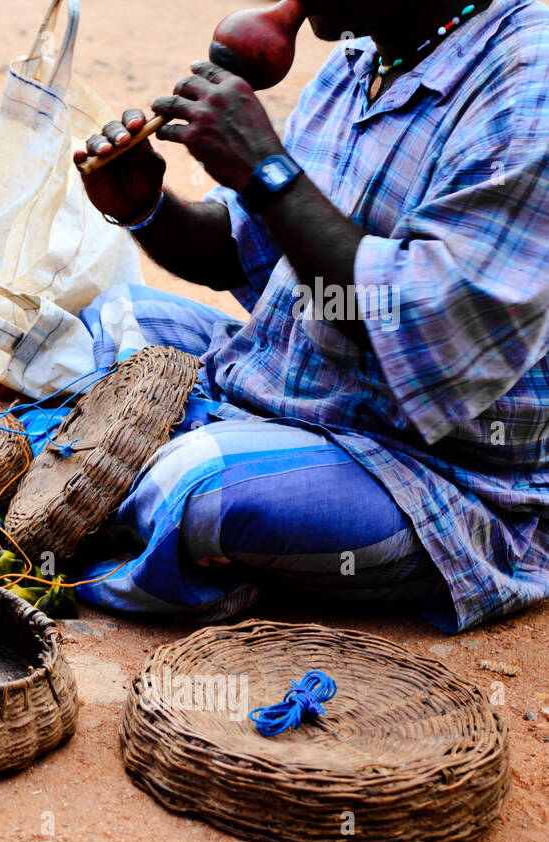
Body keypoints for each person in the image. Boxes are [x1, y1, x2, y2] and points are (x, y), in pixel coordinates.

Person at [70, 0, 549, 631]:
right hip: (279, 385)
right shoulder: (360, 56)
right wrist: (148, 207)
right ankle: (195, 503)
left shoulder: (527, 80)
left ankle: (175, 515)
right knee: (102, 322)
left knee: (195, 489)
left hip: (424, 468)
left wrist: (267, 169)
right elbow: (243, 249)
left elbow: (411, 322)